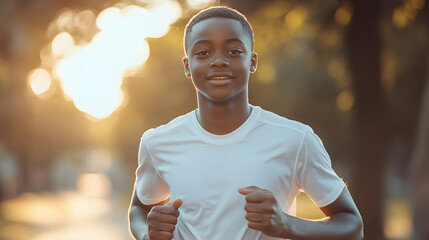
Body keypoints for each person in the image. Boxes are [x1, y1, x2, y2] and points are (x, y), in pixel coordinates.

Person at [128, 6, 363, 240]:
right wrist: (147, 235)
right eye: (202, 53)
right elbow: (139, 208)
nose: (218, 61)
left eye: (233, 51)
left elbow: (352, 225)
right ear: (187, 66)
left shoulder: (296, 139)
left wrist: (286, 225)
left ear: (252, 61)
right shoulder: (157, 142)